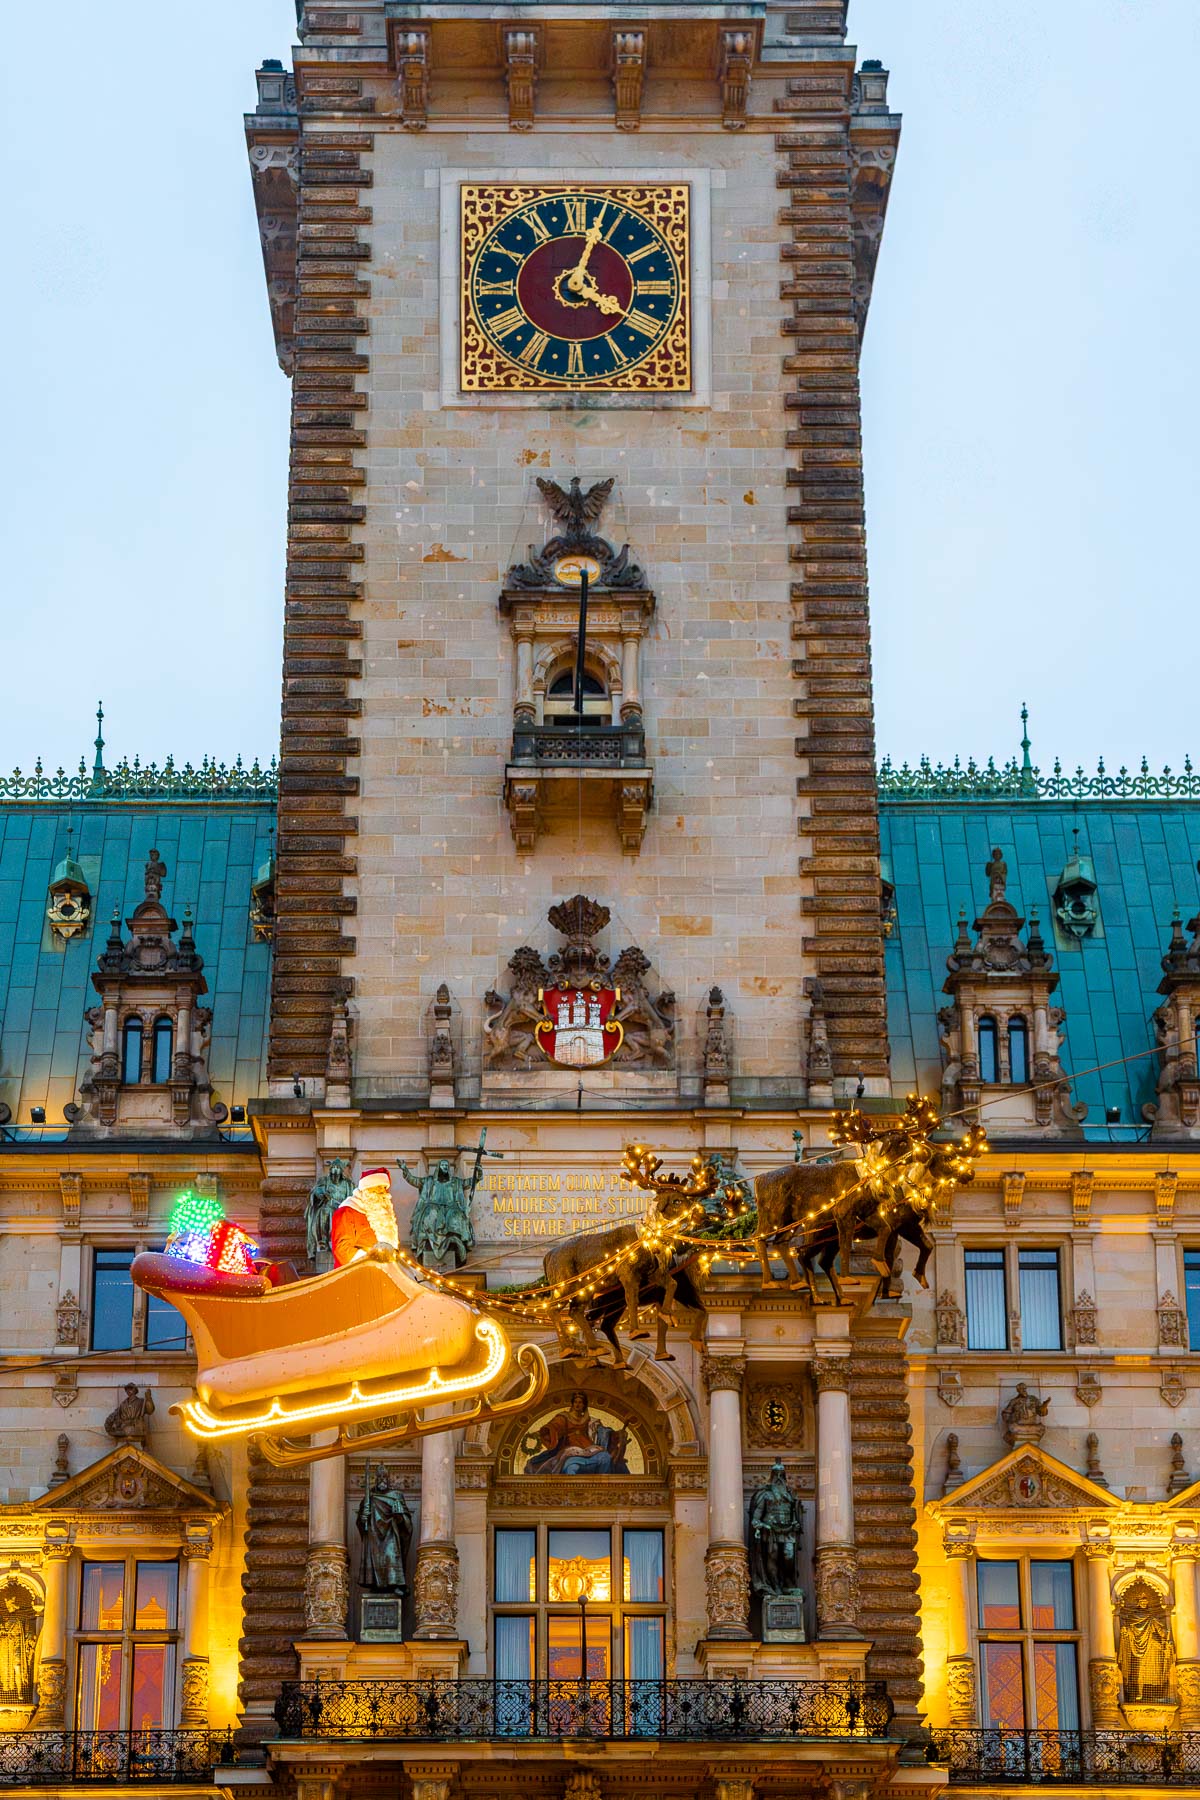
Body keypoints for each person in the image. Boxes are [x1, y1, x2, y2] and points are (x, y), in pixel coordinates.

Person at [524, 1392, 629, 1475]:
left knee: (605, 1457)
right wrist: (547, 1430)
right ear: (572, 1404)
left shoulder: (591, 1421)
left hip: (590, 1448)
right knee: (571, 1467)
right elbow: (554, 1427)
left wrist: (617, 1435)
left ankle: (604, 1493)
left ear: (584, 1405)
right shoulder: (564, 1418)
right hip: (571, 1450)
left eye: (580, 1402)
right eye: (576, 1402)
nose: (578, 1404)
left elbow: (604, 1433)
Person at [748, 1460, 804, 1596]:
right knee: (772, 1558)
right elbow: (756, 1518)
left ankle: (787, 1583)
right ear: (772, 1476)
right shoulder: (765, 1495)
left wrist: (797, 1524)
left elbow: (796, 1513)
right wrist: (762, 1526)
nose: (779, 1478)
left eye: (781, 1474)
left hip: (788, 1530)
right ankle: (775, 1587)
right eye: (776, 1474)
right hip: (770, 1531)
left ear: (784, 1476)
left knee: (789, 1556)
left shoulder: (791, 1495)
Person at [356, 1467, 414, 1594]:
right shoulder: (369, 1497)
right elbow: (360, 1521)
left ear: (389, 1479)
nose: (382, 1480)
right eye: (379, 1477)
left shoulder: (396, 1495)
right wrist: (363, 1518)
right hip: (373, 1536)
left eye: (384, 1477)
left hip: (390, 1535)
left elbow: (406, 1522)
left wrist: (399, 1516)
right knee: (375, 1561)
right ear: (376, 1479)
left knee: (390, 1557)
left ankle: (395, 1585)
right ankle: (375, 1584)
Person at [330, 1168, 399, 1267]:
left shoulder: (384, 1214)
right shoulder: (347, 1211)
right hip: (357, 1273)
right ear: (366, 1189)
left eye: (384, 1187)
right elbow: (342, 1249)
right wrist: (371, 1259)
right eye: (378, 1187)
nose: (383, 1191)